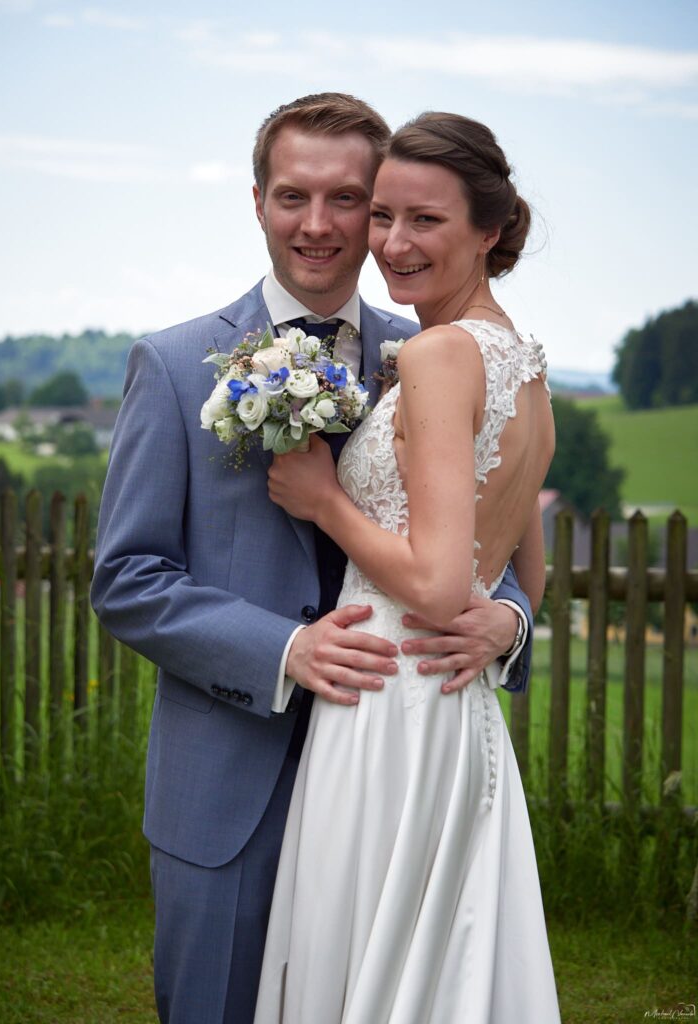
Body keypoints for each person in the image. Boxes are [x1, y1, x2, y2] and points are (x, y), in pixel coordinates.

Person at [90, 94, 535, 1024]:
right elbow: (127, 578)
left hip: (393, 774)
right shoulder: (175, 367)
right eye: (294, 195)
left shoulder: (431, 350)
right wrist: (282, 652)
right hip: (230, 789)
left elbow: (483, 526)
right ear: (257, 201)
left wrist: (510, 616)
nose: (321, 224)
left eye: (351, 200)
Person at [255, 112, 561, 1023]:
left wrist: (325, 502)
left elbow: (433, 583)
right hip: (452, 709)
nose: (390, 242)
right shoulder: (529, 365)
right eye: (382, 214)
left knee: (366, 960)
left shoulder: (435, 354)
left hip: (386, 694)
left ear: (490, 228)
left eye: (424, 220)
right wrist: (503, 624)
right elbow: (522, 578)